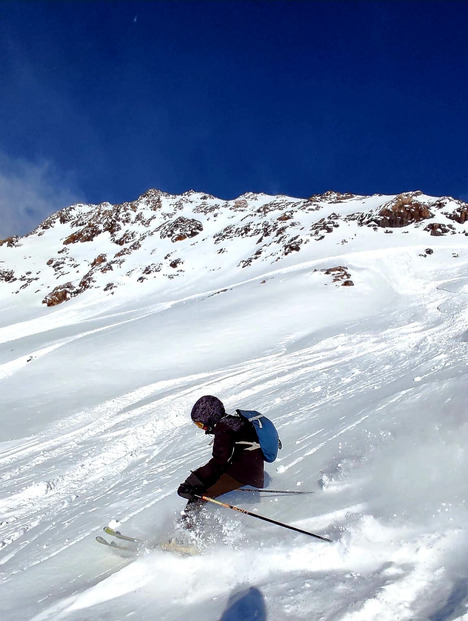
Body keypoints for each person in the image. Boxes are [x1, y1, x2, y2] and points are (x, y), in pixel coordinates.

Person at [177, 395, 264, 528]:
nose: (204, 429)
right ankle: (187, 532)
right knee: (200, 488)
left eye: (201, 424)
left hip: (240, 473)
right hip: (251, 471)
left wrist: (192, 482)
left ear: (210, 417)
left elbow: (219, 462)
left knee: (198, 495)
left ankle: (187, 536)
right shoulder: (235, 422)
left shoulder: (224, 428)